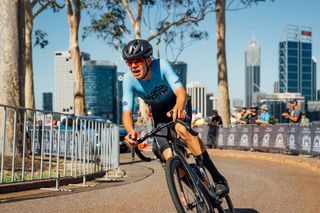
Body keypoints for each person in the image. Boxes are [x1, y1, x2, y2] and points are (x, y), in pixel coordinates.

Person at [121, 39, 229, 196]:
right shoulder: (128, 80)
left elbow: (181, 92)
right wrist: (131, 132)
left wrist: (178, 108)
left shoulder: (161, 65)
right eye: (129, 62)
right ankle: (198, 186)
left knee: (181, 129)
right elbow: (127, 113)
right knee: (168, 157)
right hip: (158, 113)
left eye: (137, 61)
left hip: (178, 103)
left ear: (148, 60)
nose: (133, 66)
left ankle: (219, 179)